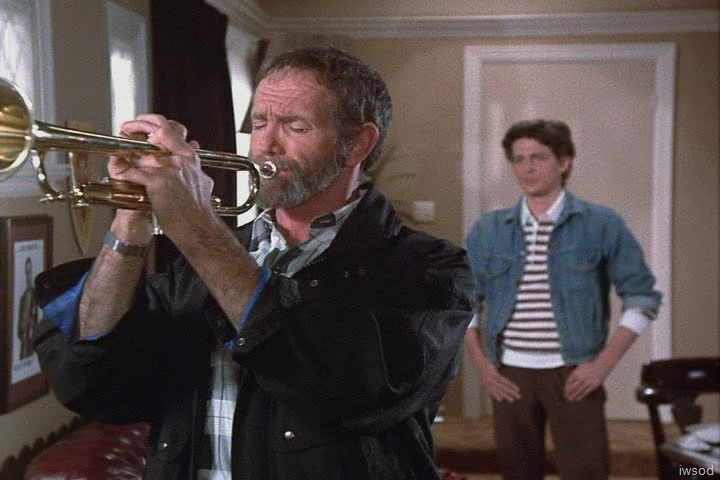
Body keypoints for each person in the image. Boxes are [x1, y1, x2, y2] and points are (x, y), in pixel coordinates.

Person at [32, 46, 475, 479]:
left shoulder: (431, 270)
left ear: (357, 143)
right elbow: (88, 381)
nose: (266, 144)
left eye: (295, 125)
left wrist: (194, 222)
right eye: (259, 123)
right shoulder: (205, 261)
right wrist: (131, 222)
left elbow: (347, 386)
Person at [464, 119, 662, 480]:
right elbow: (462, 303)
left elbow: (642, 298)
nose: (527, 168)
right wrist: (483, 368)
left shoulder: (601, 224)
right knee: (518, 473)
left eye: (538, 157)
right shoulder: (488, 230)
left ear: (564, 161)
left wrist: (601, 366)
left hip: (574, 371)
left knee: (586, 471)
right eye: (519, 159)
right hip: (510, 372)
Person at [17, 256, 39, 359]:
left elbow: (37, 316)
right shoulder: (23, 297)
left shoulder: (35, 294)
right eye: (27, 273)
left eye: (29, 272)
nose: (28, 276)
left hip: (31, 336)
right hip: (23, 337)